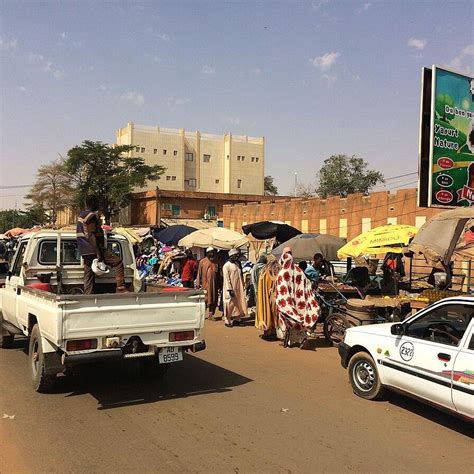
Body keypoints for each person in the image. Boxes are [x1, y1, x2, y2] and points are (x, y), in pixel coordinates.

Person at [76, 195, 128, 294]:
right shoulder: (91, 216)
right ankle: (121, 287)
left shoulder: (82, 215)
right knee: (117, 262)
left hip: (84, 249)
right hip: (92, 247)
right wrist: (98, 252)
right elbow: (91, 234)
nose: (98, 205)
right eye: (97, 203)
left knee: (88, 273)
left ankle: (88, 294)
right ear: (93, 203)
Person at [276, 248, 320, 336]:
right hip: (298, 302)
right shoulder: (299, 271)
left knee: (287, 318)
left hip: (287, 302)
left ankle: (288, 337)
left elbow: (280, 290)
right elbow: (307, 285)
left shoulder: (281, 273)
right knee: (298, 318)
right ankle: (298, 335)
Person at [222, 249, 248, 327]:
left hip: (238, 287)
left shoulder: (237, 264)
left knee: (239, 303)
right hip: (230, 288)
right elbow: (227, 279)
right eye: (235, 255)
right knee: (229, 304)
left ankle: (237, 319)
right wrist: (230, 289)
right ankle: (227, 320)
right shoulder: (226, 266)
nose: (237, 257)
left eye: (237, 255)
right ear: (231, 256)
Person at [197, 247, 220, 319]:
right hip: (205, 284)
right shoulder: (202, 261)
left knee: (213, 299)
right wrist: (198, 282)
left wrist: (220, 283)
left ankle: (211, 314)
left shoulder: (216, 262)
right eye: (210, 252)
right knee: (205, 299)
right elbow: (199, 273)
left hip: (214, 285)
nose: (212, 254)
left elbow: (219, 274)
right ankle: (202, 314)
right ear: (207, 253)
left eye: (213, 252)